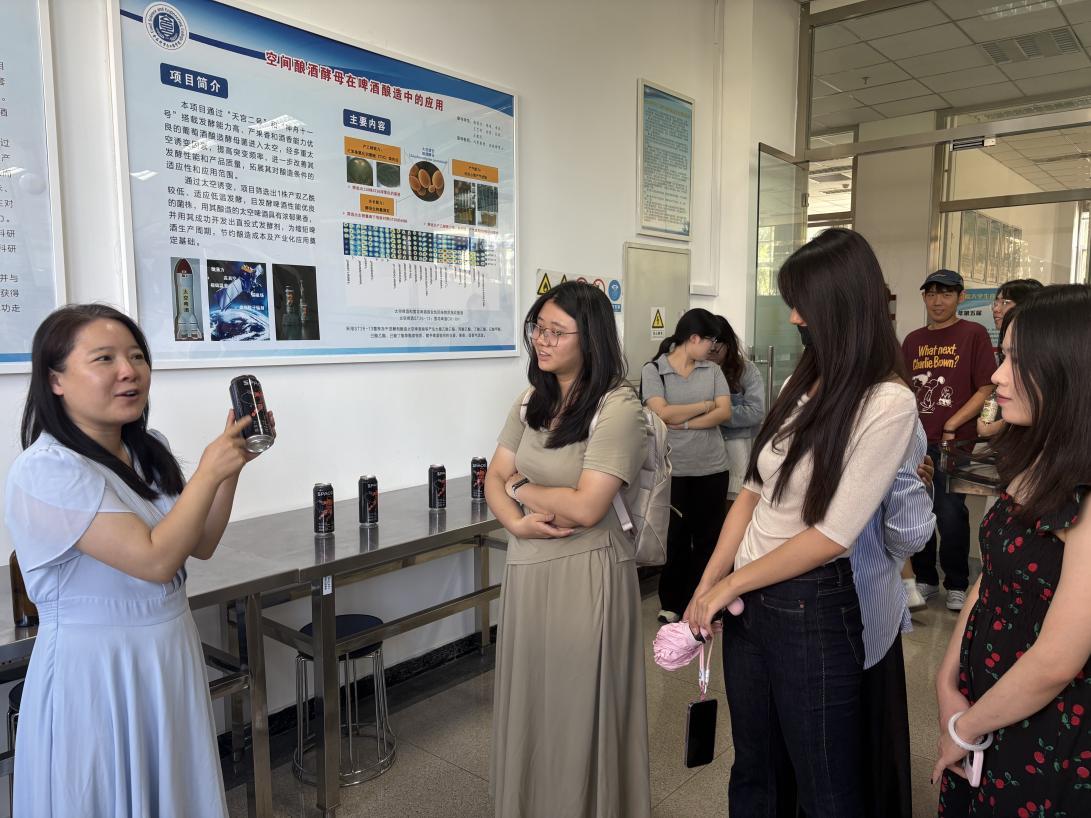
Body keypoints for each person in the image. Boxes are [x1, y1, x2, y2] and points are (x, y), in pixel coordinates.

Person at [686, 227, 918, 818]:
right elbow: (752, 491)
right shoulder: (800, 382)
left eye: (802, 303)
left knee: (825, 786)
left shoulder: (888, 402)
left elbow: (832, 535)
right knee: (754, 770)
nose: (793, 317)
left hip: (810, 609)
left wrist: (730, 585)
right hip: (750, 605)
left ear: (841, 304)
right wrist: (710, 581)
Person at [3, 304, 268, 816]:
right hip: (98, 669)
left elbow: (199, 542)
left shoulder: (147, 449)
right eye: (104, 358)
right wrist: (208, 472)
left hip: (167, 651)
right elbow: (155, 561)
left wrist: (232, 466)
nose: (129, 371)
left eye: (137, 356)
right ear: (55, 380)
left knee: (173, 789)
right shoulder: (47, 469)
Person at [486, 281, 651, 818]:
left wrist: (520, 488)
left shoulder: (617, 406)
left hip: (587, 573)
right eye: (538, 328)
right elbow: (492, 476)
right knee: (531, 701)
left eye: (557, 331)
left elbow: (586, 507)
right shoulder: (531, 400)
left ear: (591, 338)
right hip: (528, 562)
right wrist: (518, 520)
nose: (543, 340)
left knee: (578, 706)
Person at [933, 284, 1091, 817]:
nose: (998, 376)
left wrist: (964, 729)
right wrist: (948, 679)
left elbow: (1056, 661)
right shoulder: (1036, 458)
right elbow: (993, 576)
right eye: (1002, 356)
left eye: (1016, 361)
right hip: (988, 699)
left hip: (1046, 725)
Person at [903, 269, 995, 611]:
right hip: (914, 439)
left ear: (961, 297)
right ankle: (925, 578)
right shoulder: (913, 340)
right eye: (931, 294)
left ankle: (956, 582)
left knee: (950, 511)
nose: (937, 301)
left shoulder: (973, 334)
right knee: (917, 509)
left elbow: (986, 387)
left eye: (945, 294)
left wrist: (953, 423)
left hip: (953, 442)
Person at [640, 308, 733, 624]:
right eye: (710, 341)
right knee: (675, 538)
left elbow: (725, 412)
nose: (713, 348)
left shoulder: (713, 370)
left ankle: (705, 602)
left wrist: (688, 423)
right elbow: (662, 413)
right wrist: (705, 405)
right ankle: (672, 602)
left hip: (713, 468)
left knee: (709, 538)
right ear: (693, 338)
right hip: (673, 471)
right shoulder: (654, 370)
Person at [708, 314, 765, 500]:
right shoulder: (697, 369)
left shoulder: (746, 370)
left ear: (728, 344)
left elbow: (756, 412)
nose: (711, 352)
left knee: (734, 497)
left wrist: (717, 412)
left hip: (735, 444)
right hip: (705, 446)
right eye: (707, 347)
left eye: (716, 349)